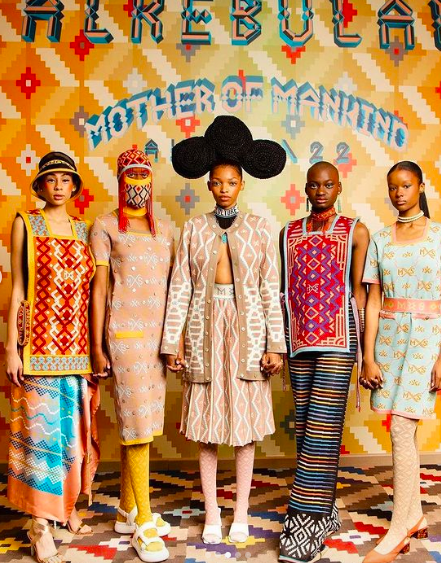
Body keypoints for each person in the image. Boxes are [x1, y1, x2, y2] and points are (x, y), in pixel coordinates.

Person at [161, 116, 287, 545]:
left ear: (242, 184)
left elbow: (269, 288)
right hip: (204, 331)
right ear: (209, 185)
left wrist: (275, 344)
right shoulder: (194, 229)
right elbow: (180, 286)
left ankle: (241, 511)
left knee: (244, 430)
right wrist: (172, 341)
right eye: (217, 182)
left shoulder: (259, 229)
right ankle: (212, 512)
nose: (224, 188)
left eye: (231, 182)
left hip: (248, 332)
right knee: (209, 428)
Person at [5, 151, 100, 563]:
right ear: (40, 185)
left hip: (76, 352)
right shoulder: (26, 223)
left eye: (66, 179)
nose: (59, 186)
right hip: (37, 349)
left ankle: (66, 506)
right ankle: (39, 526)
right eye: (51, 179)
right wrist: (12, 348)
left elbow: (92, 292)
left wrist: (97, 348)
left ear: (75, 186)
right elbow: (18, 288)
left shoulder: (83, 230)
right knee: (40, 441)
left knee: (69, 438)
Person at [279, 161, 369, 562]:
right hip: (298, 339)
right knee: (305, 427)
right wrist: (279, 342)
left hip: (339, 338)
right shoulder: (288, 233)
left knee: (322, 427)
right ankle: (327, 509)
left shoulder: (355, 231)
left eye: (328, 184)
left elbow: (360, 292)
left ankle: (305, 520)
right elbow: (283, 291)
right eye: (314, 185)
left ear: (338, 187)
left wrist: (366, 352)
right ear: (305, 189)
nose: (320, 191)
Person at [90, 147, 173, 563]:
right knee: (137, 425)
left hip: (157, 340)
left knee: (142, 423)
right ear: (120, 179)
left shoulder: (166, 231)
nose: (138, 182)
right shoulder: (104, 226)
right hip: (124, 337)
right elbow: (100, 288)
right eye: (131, 175)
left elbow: (174, 288)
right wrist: (96, 345)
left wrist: (174, 340)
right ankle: (143, 521)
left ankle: (126, 508)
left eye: (144, 175)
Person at [361, 161, 440, 563]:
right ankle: (416, 514)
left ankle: (398, 530)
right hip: (389, 342)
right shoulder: (380, 239)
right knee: (402, 430)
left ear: (420, 187)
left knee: (402, 428)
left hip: (428, 340)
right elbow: (373, 301)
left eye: (406, 186)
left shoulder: (439, 237)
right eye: (393, 187)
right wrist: (368, 356)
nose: (398, 194)